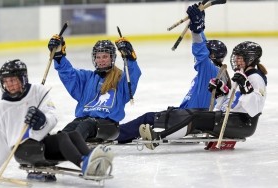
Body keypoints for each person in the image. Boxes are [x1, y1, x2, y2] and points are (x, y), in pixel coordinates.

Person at [0, 59, 113, 183]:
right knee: (61, 137)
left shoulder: (38, 91)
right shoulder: (3, 107)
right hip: (23, 151)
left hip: (40, 144)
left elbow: (52, 116)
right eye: (6, 81)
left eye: (13, 80)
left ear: (23, 79)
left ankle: (93, 160)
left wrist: (42, 120)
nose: (9, 85)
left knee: (72, 134)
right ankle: (84, 164)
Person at [117, 3, 230, 146]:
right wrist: (200, 24)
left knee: (148, 118)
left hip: (187, 118)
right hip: (188, 116)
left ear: (212, 55)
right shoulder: (215, 72)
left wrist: (197, 29)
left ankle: (116, 134)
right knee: (152, 118)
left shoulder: (210, 71)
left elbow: (201, 51)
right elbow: (204, 46)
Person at [140, 40, 267, 150]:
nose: (236, 60)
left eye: (240, 58)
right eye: (236, 57)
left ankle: (158, 138)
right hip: (230, 118)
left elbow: (255, 108)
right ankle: (160, 136)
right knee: (195, 115)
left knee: (195, 118)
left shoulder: (256, 78)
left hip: (242, 123)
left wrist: (247, 88)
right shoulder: (241, 75)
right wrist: (221, 92)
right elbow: (233, 100)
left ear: (250, 59)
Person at [47, 35, 141, 142]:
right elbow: (68, 74)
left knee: (85, 126)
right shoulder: (87, 78)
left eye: (105, 57)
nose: (101, 60)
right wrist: (59, 55)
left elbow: (132, 75)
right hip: (83, 121)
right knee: (70, 128)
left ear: (112, 58)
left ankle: (73, 147)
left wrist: (129, 57)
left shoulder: (121, 79)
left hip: (108, 126)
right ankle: (54, 146)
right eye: (98, 57)